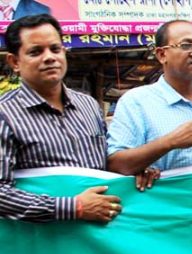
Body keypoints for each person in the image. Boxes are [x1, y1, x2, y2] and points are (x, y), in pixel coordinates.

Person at [0, 14, 123, 222]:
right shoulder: (5, 114)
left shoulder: (88, 105)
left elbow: (106, 166)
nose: (49, 57)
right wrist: (73, 207)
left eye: (55, 49)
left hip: (98, 241)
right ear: (14, 62)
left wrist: (141, 171)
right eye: (35, 52)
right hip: (43, 244)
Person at [107, 21, 192, 185]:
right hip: (168, 207)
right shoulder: (136, 102)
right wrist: (169, 142)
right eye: (186, 45)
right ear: (161, 55)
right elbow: (115, 164)